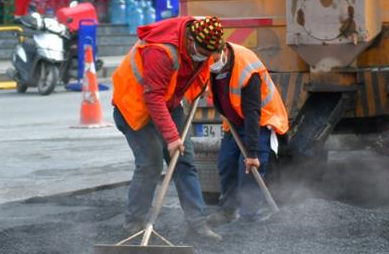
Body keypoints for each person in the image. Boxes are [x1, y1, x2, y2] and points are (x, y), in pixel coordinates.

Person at [111, 15, 225, 242]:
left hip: (169, 104)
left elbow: (195, 69)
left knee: (185, 162)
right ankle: (134, 224)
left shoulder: (201, 40)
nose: (205, 57)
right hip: (135, 107)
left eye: (208, 54)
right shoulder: (162, 51)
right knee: (150, 165)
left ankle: (198, 224)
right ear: (191, 40)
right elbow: (153, 97)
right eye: (202, 52)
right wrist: (172, 137)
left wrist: (199, 85)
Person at [206, 40, 289, 226]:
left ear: (224, 50)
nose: (213, 62)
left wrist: (251, 153)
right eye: (210, 59)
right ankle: (227, 211)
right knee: (226, 164)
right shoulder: (206, 59)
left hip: (260, 119)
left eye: (217, 58)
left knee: (250, 169)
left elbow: (253, 113)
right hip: (234, 120)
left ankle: (249, 217)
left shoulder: (246, 68)